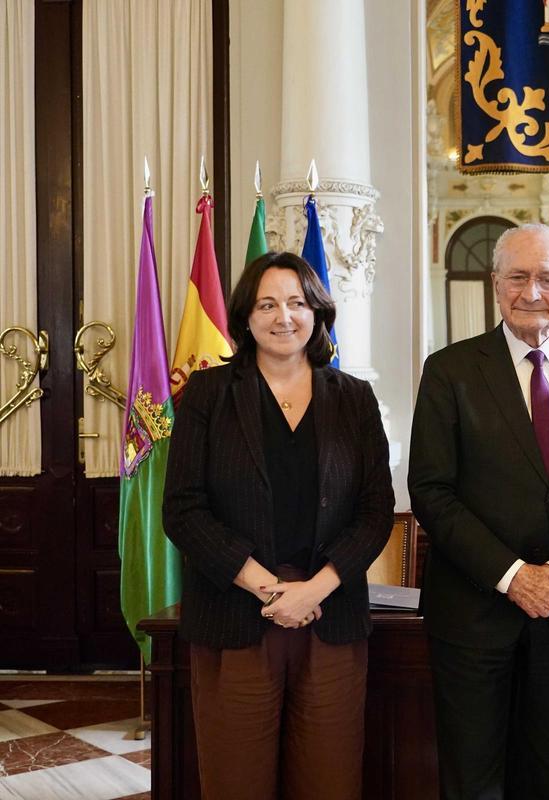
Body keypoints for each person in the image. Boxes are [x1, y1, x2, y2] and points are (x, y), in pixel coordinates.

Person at [408, 223, 549, 799]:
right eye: (517, 276)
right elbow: (432, 490)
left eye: (547, 278)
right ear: (494, 283)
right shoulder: (450, 370)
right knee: (472, 779)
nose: (532, 291)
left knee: (547, 774)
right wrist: (512, 577)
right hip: (472, 612)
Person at [163, 251, 394, 800]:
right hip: (237, 615)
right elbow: (184, 509)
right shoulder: (207, 395)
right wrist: (272, 591)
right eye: (267, 304)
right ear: (245, 316)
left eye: (296, 302)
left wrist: (314, 589)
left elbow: (375, 508)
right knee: (236, 781)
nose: (282, 316)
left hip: (330, 615)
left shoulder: (354, 398)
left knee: (330, 781)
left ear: (316, 313)